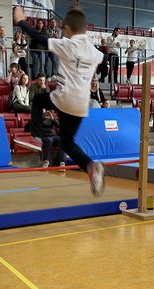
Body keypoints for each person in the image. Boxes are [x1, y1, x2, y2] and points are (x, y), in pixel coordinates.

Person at [14, 5, 105, 196]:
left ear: (69, 29)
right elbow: (103, 59)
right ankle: (91, 167)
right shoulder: (94, 51)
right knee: (67, 142)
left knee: (38, 99)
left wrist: (21, 21)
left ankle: (37, 132)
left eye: (64, 29)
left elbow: (39, 38)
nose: (63, 32)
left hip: (64, 98)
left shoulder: (67, 44)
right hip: (81, 104)